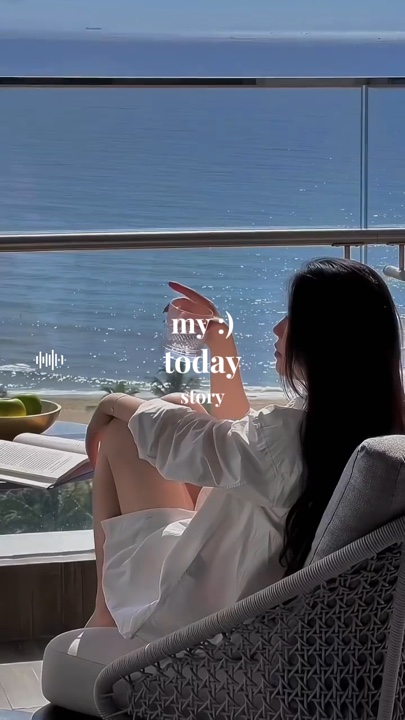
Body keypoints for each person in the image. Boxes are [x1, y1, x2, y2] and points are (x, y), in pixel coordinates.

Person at [42, 258, 405, 714]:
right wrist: (220, 343)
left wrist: (112, 402)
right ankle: (109, 614)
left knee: (122, 434)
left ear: (324, 342)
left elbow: (209, 444)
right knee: (178, 407)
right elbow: (242, 450)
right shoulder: (370, 430)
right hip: (264, 605)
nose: (277, 329)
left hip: (216, 632)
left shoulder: (288, 442)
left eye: (291, 319)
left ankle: (104, 616)